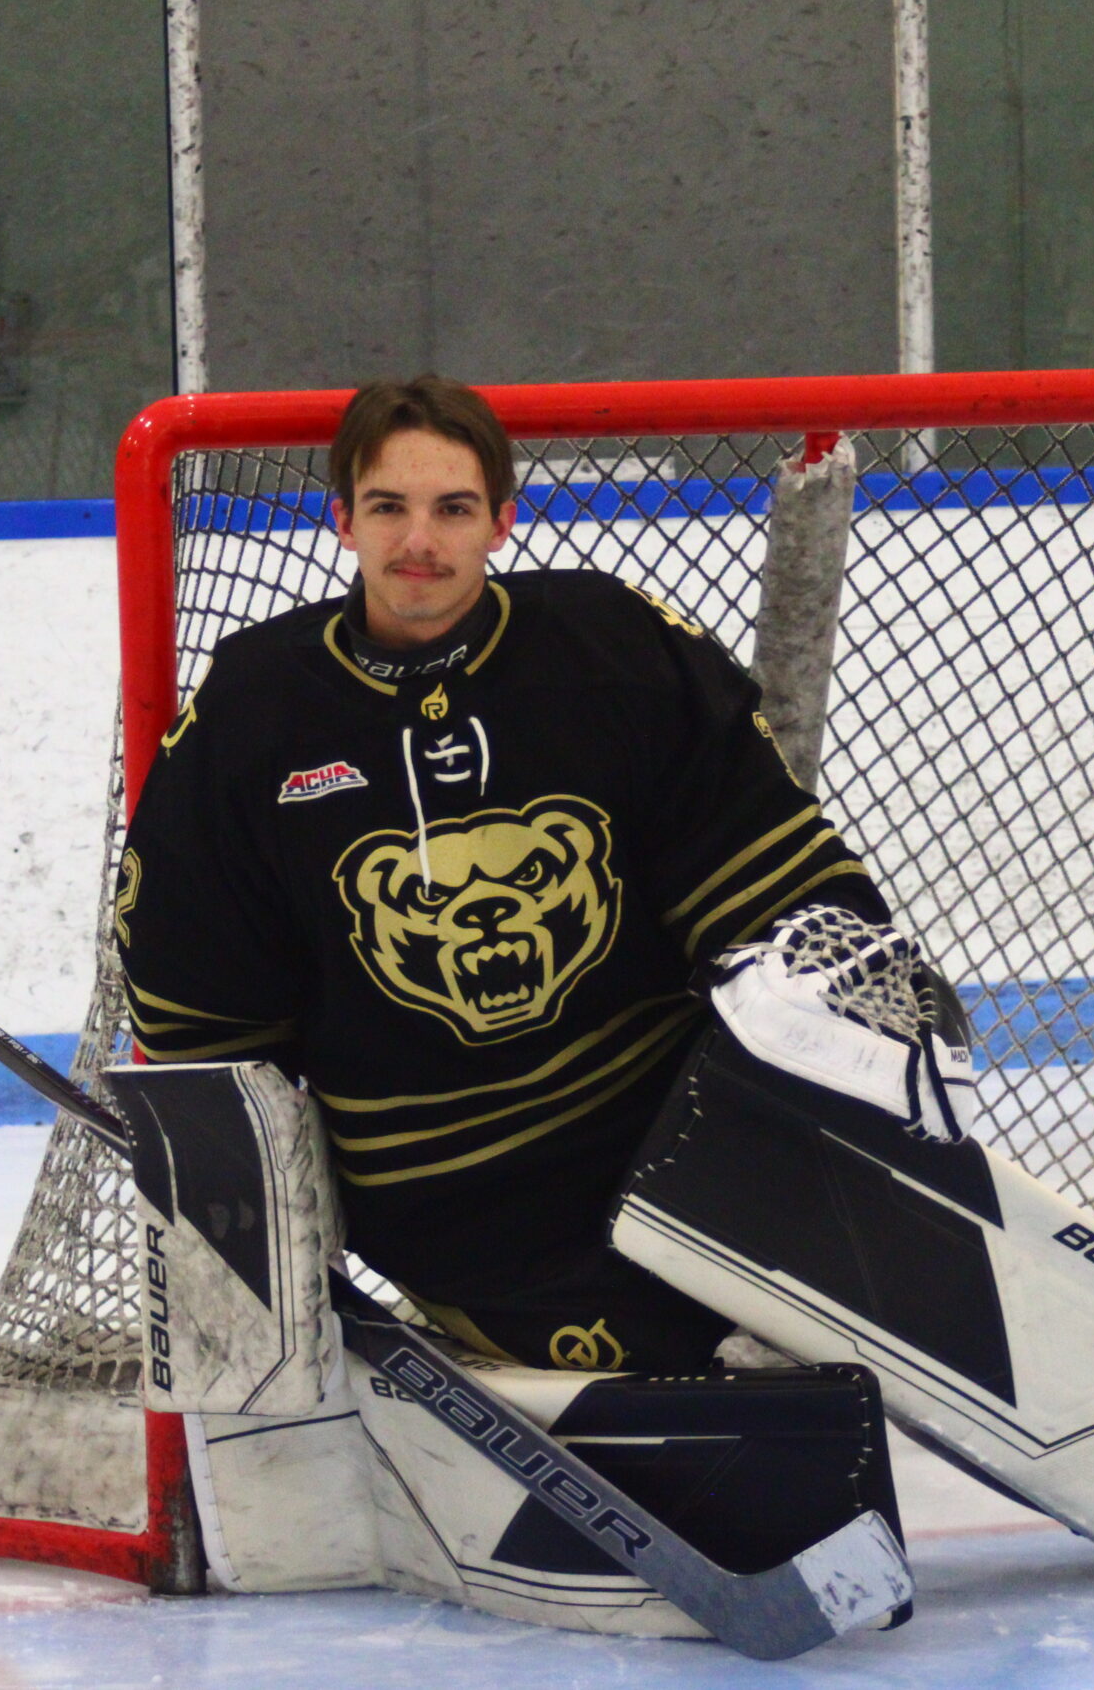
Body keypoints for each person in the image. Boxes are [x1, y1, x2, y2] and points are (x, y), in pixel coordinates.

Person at [115, 374, 889, 1375]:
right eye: (388, 508)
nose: (419, 542)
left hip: (676, 1142)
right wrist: (236, 1202)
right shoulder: (253, 710)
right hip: (450, 1206)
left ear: (502, 521)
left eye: (453, 509)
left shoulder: (609, 645)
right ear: (341, 521)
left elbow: (757, 858)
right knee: (683, 1370)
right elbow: (197, 996)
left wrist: (851, 995)